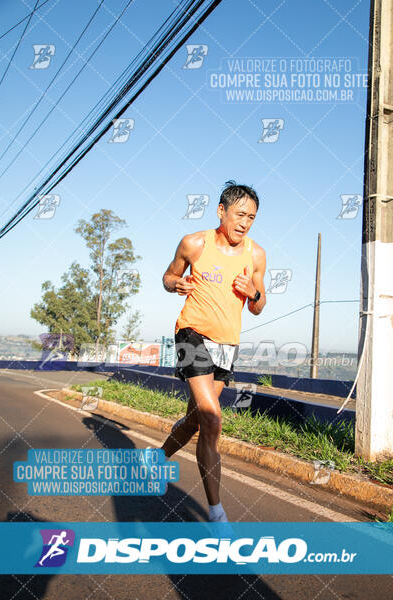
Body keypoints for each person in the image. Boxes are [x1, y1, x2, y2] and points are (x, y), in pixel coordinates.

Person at [161, 181, 266, 522]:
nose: (244, 223)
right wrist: (175, 283)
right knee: (212, 417)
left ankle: (156, 461)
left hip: (227, 344)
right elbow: (168, 276)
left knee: (196, 420)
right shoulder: (195, 243)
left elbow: (258, 307)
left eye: (251, 217)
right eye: (239, 214)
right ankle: (217, 515)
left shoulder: (256, 254)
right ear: (221, 211)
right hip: (191, 334)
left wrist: (253, 292)